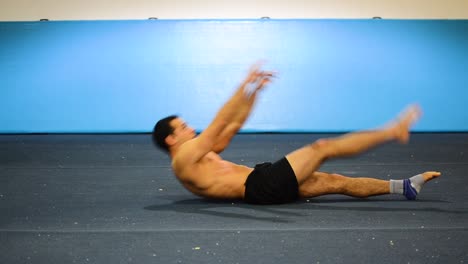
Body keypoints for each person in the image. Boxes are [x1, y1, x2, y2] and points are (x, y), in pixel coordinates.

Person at [152, 63, 441, 205]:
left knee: (334, 181)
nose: (190, 128)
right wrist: (243, 85)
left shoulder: (197, 156)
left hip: (261, 182)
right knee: (321, 147)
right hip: (260, 186)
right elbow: (217, 124)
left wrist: (254, 94)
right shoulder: (184, 158)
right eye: (183, 127)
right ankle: (393, 130)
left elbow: (229, 129)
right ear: (170, 139)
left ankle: (404, 186)